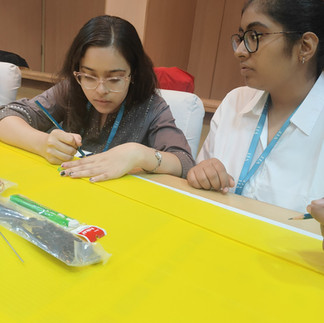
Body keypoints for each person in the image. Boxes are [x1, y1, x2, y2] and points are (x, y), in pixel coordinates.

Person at [0, 15, 195, 182]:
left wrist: (139, 154)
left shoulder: (151, 107)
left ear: (133, 73)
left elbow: (185, 163)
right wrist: (42, 143)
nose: (100, 90)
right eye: (89, 76)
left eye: (114, 78)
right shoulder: (71, 89)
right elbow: (6, 117)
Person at [187, 0, 324, 214]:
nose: (240, 51)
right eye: (242, 38)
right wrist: (201, 175)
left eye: (255, 36)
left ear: (305, 46)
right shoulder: (235, 102)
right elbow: (199, 188)